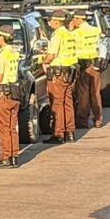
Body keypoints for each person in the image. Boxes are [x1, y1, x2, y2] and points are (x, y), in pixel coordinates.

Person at [0, 25, 23, 168]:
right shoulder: (13, 52)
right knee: (12, 127)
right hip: (13, 93)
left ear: (1, 38)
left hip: (2, 95)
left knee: (3, 128)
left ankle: (5, 157)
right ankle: (14, 156)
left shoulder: (1, 55)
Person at [42, 13, 78, 143]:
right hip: (69, 72)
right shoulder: (69, 34)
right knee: (68, 103)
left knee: (57, 103)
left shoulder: (57, 35)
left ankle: (58, 134)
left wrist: (44, 62)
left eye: (51, 20)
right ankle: (70, 132)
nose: (49, 22)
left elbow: (52, 54)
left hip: (58, 73)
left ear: (57, 22)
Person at [70, 11, 105, 129]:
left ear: (79, 19)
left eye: (75, 19)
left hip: (83, 65)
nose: (73, 21)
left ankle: (82, 121)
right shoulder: (95, 30)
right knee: (95, 93)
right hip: (95, 64)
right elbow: (100, 45)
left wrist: (70, 30)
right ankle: (98, 119)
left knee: (83, 94)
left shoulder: (76, 33)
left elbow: (70, 46)